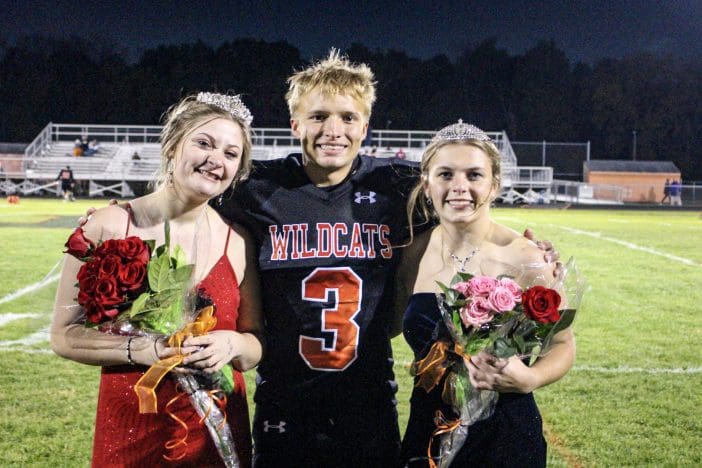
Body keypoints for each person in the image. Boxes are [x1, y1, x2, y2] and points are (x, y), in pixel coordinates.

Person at [80, 51, 557, 467]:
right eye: (318, 116)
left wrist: (523, 249)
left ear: (365, 127)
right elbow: (186, 199)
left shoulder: (398, 186)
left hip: (368, 402)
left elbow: (463, 197)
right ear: (295, 124)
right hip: (284, 402)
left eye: (348, 118)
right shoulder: (254, 186)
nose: (334, 130)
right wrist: (127, 218)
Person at [51, 92, 264, 466]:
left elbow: (255, 344)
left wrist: (231, 343)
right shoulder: (108, 225)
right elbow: (64, 335)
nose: (216, 160)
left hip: (216, 434)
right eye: (204, 143)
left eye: (231, 154)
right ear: (172, 146)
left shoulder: (239, 242)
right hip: (132, 430)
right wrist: (145, 349)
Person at [397, 122, 575, 467]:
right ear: (427, 183)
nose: (459, 186)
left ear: (494, 184)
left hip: (504, 440)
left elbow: (562, 344)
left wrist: (531, 378)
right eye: (445, 174)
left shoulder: (525, 257)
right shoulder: (412, 253)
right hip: (426, 433)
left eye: (474, 175)